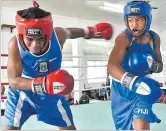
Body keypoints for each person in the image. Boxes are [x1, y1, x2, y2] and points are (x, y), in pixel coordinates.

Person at [2, 1, 113, 130]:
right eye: (30, 39)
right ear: (22, 36)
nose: (35, 44)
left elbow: (70, 32)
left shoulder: (57, 36)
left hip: (52, 92)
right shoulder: (15, 44)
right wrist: (43, 84)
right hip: (23, 93)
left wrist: (90, 32)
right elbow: (13, 81)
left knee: (69, 128)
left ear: (47, 35)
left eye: (40, 39)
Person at [107, 1, 163, 130]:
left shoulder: (155, 38)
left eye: (139, 20)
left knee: (141, 121)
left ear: (147, 20)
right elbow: (111, 66)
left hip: (142, 87)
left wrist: (153, 65)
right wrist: (132, 82)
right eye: (130, 20)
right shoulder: (124, 37)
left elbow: (160, 66)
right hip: (122, 89)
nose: (134, 24)